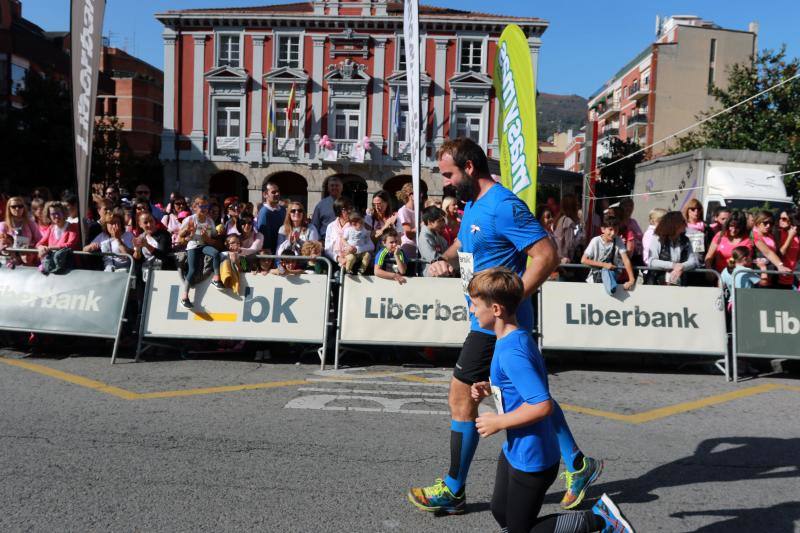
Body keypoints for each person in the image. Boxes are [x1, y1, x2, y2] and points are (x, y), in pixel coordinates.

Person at [409, 138, 602, 515]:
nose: (446, 183)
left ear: (469, 168)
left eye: (448, 174)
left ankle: (453, 489)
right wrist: (438, 260)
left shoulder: (503, 205)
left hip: (495, 325)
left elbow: (547, 255)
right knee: (530, 392)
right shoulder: (474, 205)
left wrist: (508, 304)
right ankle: (577, 463)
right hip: (487, 320)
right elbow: (463, 248)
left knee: (461, 396)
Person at [466, 268, 635, 533]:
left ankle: (600, 520)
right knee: (501, 512)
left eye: (475, 305)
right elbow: (522, 384)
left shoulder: (512, 352)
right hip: (515, 450)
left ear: (496, 309)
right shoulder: (512, 338)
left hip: (533, 457)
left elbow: (542, 405)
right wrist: (491, 388)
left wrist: (499, 421)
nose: (471, 310)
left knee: (521, 529)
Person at [177, 195, 222, 309]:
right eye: (202, 206)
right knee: (192, 270)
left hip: (204, 246)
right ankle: (184, 297)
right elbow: (180, 236)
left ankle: (216, 279)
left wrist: (214, 235)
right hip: (193, 247)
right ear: (194, 207)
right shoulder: (190, 219)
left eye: (206, 206)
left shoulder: (210, 220)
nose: (205, 208)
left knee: (216, 253)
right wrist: (188, 230)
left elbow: (214, 237)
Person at [581, 214, 636, 290]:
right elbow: (583, 260)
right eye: (610, 229)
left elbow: (626, 259)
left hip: (612, 280)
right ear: (603, 229)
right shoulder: (595, 241)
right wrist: (604, 265)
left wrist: (631, 279)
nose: (613, 233)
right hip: (594, 282)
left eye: (616, 230)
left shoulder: (618, 240)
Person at [644, 211, 699, 286]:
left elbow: (693, 261)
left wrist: (681, 267)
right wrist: (673, 265)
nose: (685, 224)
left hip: (680, 283)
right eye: (682, 221)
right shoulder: (657, 238)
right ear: (674, 224)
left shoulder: (685, 240)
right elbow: (652, 261)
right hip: (657, 283)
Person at [750, 210, 792, 281]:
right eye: (765, 223)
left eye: (771, 223)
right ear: (758, 222)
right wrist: (780, 266)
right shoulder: (754, 235)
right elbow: (768, 252)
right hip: (758, 277)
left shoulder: (770, 235)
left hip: (772, 275)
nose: (768, 225)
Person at [0, 196, 41, 267]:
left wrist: (31, 248)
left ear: (24, 208)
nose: (17, 209)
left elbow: (40, 240)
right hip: (10, 260)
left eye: (20, 206)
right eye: (13, 206)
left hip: (28, 258)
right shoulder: (3, 225)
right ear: (9, 209)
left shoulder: (31, 223)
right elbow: (1, 243)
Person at [417, 206, 449, 276]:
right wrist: (448, 257)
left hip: (441, 271)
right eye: (439, 221)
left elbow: (446, 247)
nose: (442, 223)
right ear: (430, 222)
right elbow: (432, 257)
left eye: (442, 220)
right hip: (431, 274)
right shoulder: (424, 237)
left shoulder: (436, 233)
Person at [311, 176, 344, 241]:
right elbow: (314, 226)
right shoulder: (320, 205)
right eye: (332, 185)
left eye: (337, 185)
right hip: (325, 241)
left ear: (341, 188)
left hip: (344, 241)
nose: (334, 187)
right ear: (328, 188)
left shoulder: (348, 204)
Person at [256, 182, 286, 253]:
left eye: (278, 191)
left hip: (283, 248)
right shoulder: (264, 212)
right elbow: (263, 234)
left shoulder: (282, 209)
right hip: (271, 252)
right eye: (273, 192)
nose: (277, 194)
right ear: (265, 194)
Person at [553, 194, 581, 265]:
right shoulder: (568, 221)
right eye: (576, 205)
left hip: (557, 257)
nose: (578, 207)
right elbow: (570, 244)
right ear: (572, 207)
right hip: (564, 260)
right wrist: (580, 238)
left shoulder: (560, 218)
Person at [323, 197, 353, 263]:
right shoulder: (331, 226)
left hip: (351, 261)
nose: (349, 211)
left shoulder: (355, 225)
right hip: (333, 261)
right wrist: (338, 258)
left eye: (350, 208)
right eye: (345, 209)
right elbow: (328, 248)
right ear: (338, 210)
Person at [395, 182, 418, 258]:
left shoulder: (419, 210)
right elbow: (409, 235)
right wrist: (422, 225)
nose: (421, 195)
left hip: (419, 246)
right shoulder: (403, 211)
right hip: (408, 246)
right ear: (410, 195)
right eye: (419, 192)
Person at [777, 211, 799, 288]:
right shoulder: (778, 233)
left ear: (791, 220)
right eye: (779, 218)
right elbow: (780, 254)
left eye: (783, 219)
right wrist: (790, 237)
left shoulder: (798, 235)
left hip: (792, 277)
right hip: (778, 277)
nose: (780, 220)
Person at [618, 198, 644, 266]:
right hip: (623, 255)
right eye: (626, 205)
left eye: (631, 206)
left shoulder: (633, 221)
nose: (629, 208)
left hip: (637, 254)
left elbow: (641, 236)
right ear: (621, 207)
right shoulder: (617, 222)